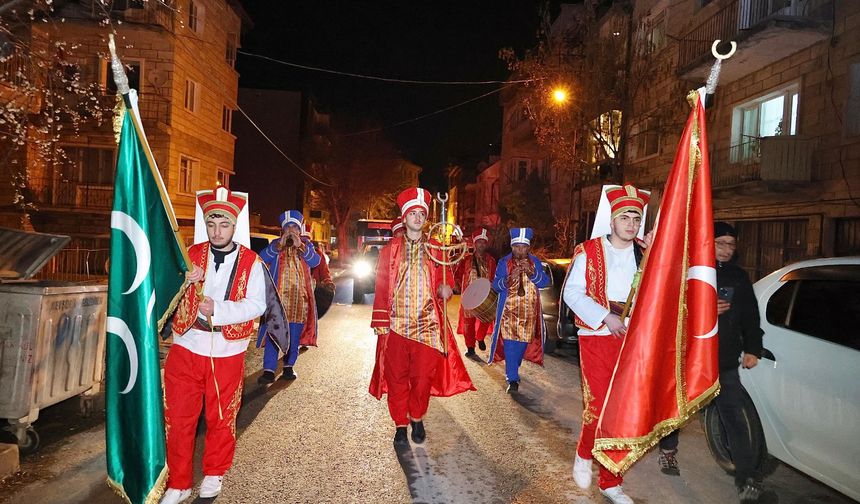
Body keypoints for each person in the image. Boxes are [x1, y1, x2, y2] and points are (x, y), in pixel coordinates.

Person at [161, 187, 267, 503]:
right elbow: (164, 294)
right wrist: (183, 280)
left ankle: (213, 473)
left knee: (221, 418)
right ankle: (178, 484)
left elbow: (257, 304)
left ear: (235, 226)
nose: (217, 231)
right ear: (205, 224)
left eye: (224, 225)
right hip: (186, 345)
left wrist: (218, 310)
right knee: (178, 419)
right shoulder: (189, 255)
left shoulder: (252, 262)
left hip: (227, 350)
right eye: (211, 224)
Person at [562, 184, 651, 504]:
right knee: (599, 406)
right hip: (598, 335)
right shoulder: (588, 250)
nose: (630, 223)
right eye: (624, 217)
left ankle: (611, 481)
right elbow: (572, 293)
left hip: (632, 338)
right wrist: (605, 317)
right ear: (611, 220)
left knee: (623, 411)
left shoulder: (645, 253)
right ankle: (584, 453)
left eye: (636, 219)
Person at [369, 187, 475, 447]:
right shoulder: (390, 250)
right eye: (412, 213)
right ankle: (400, 424)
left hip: (427, 325)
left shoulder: (436, 249)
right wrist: (381, 321)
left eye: (421, 213)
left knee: (422, 379)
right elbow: (382, 286)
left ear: (426, 218)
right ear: (404, 218)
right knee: (396, 379)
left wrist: (447, 289)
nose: (417, 217)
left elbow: (446, 280)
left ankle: (416, 416)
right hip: (396, 326)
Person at [712, 222, 765, 503]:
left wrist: (753, 348)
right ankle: (668, 451)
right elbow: (674, 308)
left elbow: (750, 316)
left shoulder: (738, 276)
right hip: (693, 360)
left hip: (725, 362)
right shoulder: (694, 272)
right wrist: (706, 307)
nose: (726, 250)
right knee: (676, 415)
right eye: (720, 243)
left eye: (731, 245)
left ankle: (746, 478)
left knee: (734, 418)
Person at [257, 210, 320, 383]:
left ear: (300, 230)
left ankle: (288, 366)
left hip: (300, 301)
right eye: (287, 227)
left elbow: (315, 262)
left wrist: (301, 246)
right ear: (282, 230)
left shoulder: (306, 245)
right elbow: (261, 258)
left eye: (294, 227)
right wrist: (278, 247)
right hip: (277, 301)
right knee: (273, 334)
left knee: (294, 336)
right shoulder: (276, 245)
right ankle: (269, 370)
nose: (291, 231)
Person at [486, 228, 548, 392]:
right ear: (512, 247)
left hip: (528, 314)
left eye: (523, 247)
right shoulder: (504, 262)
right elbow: (495, 285)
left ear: (528, 248)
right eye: (516, 247)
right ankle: (512, 379)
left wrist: (532, 272)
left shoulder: (535, 262)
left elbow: (544, 282)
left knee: (520, 347)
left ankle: (514, 365)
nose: (519, 250)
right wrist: (508, 278)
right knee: (510, 345)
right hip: (508, 314)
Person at [455, 227, 497, 357]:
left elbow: (495, 276)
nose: (481, 245)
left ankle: (480, 337)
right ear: (474, 243)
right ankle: (470, 347)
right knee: (469, 322)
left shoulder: (491, 260)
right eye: (479, 242)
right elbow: (457, 275)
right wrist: (455, 286)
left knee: (487, 318)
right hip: (469, 296)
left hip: (485, 296)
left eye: (484, 242)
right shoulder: (466, 259)